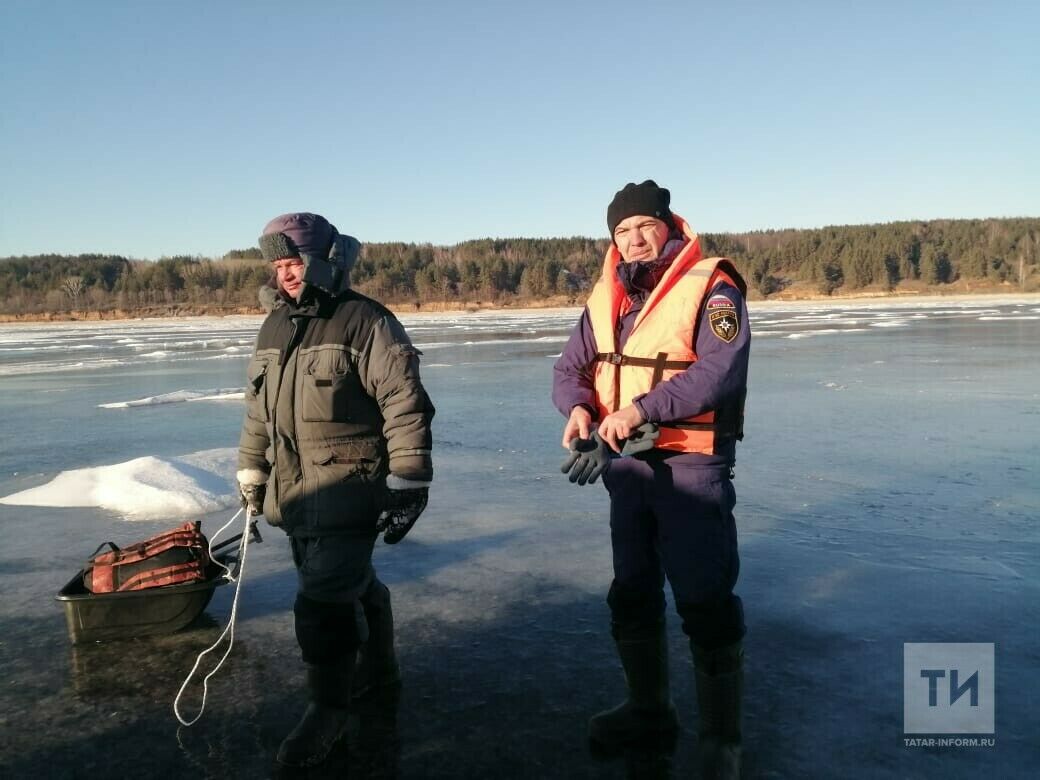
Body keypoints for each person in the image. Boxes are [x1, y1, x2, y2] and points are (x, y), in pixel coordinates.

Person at [553, 181, 749, 778]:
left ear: (668, 224)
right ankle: (649, 709)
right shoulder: (606, 295)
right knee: (632, 591)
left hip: (690, 467)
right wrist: (579, 408)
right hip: (628, 469)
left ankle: (722, 740)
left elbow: (719, 373)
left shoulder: (710, 284)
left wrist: (642, 409)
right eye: (621, 231)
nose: (634, 240)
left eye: (644, 226)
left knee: (704, 598)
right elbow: (570, 368)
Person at [236, 212, 434, 768]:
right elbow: (258, 411)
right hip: (294, 491)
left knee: (321, 602)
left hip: (351, 486)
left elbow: (404, 402)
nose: (286, 274)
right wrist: (251, 468)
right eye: (277, 265)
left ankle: (329, 708)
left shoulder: (365, 321)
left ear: (326, 259)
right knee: (349, 584)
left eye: (294, 261)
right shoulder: (273, 326)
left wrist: (410, 479)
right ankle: (380, 670)